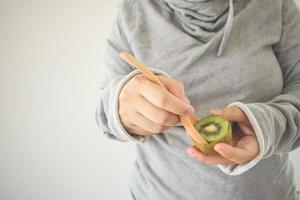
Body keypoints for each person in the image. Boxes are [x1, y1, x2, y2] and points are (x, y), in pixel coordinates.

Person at [95, 0, 300, 199]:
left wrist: (268, 126)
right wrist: (121, 108)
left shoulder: (277, 5)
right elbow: (105, 114)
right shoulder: (131, 11)